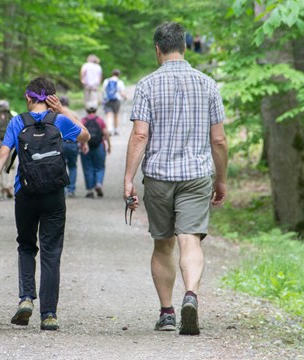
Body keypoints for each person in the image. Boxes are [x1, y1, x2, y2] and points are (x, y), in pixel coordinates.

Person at [123, 22, 228, 335]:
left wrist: (128, 178)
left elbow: (140, 134)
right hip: (197, 176)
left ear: (158, 49)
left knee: (163, 245)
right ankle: (191, 295)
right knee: (190, 239)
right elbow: (219, 140)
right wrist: (221, 180)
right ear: (184, 46)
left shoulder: (146, 85)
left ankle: (167, 312)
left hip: (159, 176)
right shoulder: (208, 84)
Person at [0, 77, 90, 331]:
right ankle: (49, 315)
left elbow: (3, 153)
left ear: (28, 98)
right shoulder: (61, 121)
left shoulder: (17, 121)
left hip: (26, 193)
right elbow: (85, 136)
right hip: (54, 194)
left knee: (26, 246)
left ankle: (26, 299)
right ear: (52, 98)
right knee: (52, 252)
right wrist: (62, 110)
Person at [80, 103, 111, 198]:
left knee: (88, 168)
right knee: (100, 167)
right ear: (96, 110)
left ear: (86, 110)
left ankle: (90, 191)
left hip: (86, 147)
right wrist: (109, 145)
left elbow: (79, 133)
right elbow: (105, 133)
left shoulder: (83, 121)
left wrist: (82, 144)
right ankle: (98, 184)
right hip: (99, 146)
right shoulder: (100, 120)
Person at [60, 96, 81, 197]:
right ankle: (71, 189)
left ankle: (63, 189)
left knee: (61, 167)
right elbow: (80, 129)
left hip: (60, 143)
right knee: (73, 166)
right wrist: (83, 143)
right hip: (72, 143)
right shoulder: (74, 114)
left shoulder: (57, 114)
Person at [101, 69, 127, 136]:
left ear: (112, 74)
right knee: (116, 115)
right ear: (118, 75)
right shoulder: (120, 82)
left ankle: (109, 129)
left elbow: (103, 91)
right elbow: (122, 93)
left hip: (107, 100)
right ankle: (115, 130)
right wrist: (125, 97)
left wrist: (103, 98)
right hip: (116, 100)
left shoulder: (106, 81)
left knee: (108, 115)